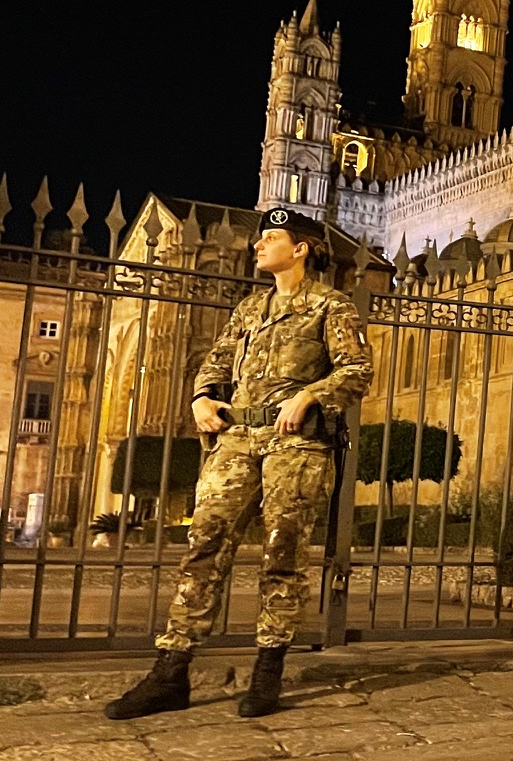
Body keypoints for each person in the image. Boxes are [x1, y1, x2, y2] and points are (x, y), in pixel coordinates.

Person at [106, 208, 374, 721]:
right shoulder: (251, 307)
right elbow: (216, 359)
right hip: (237, 438)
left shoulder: (329, 305)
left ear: (300, 248)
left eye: (270, 238)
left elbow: (357, 370)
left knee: (283, 553)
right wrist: (202, 399)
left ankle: (268, 671)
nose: (258, 246)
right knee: (204, 544)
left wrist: (311, 396)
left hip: (295, 444)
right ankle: (170, 672)